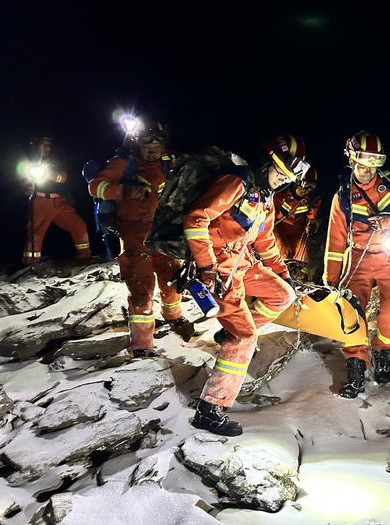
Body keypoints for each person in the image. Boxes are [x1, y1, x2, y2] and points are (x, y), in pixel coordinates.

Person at [186, 136, 308, 435]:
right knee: (245, 337)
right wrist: (206, 266)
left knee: (283, 294)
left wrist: (283, 273)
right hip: (218, 267)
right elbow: (196, 219)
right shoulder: (237, 183)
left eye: (287, 177)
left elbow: (265, 243)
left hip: (241, 263)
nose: (282, 180)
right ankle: (210, 409)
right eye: (279, 172)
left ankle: (232, 334)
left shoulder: (265, 198)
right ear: (266, 162)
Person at [323, 131, 390, 398]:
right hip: (356, 257)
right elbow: (334, 241)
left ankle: (382, 352)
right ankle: (356, 368)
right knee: (352, 313)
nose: (368, 170)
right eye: (362, 163)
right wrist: (331, 277)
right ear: (351, 160)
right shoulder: (343, 196)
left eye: (374, 164)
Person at [88, 123, 192, 357]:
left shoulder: (169, 163)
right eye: (148, 143)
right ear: (136, 142)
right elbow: (95, 186)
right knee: (143, 290)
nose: (153, 149)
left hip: (162, 234)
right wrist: (123, 191)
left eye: (158, 144)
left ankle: (174, 318)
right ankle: (142, 345)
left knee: (172, 281)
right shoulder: (124, 163)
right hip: (133, 235)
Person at [20, 136, 91, 265]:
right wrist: (26, 187)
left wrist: (53, 175)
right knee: (36, 233)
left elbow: (64, 177)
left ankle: (84, 257)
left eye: (48, 145)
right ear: (36, 145)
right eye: (43, 144)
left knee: (78, 225)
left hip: (59, 202)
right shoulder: (28, 162)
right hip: (40, 201)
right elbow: (22, 179)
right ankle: (30, 262)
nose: (46, 148)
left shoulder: (55, 161)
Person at [273, 164, 321, 279]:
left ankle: (298, 277)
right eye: (305, 185)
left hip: (297, 232)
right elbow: (270, 217)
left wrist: (313, 224)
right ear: (296, 182)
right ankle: (278, 274)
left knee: (302, 254)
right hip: (279, 229)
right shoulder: (280, 195)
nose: (307, 190)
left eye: (311, 187)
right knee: (284, 250)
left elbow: (312, 217)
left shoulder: (310, 200)